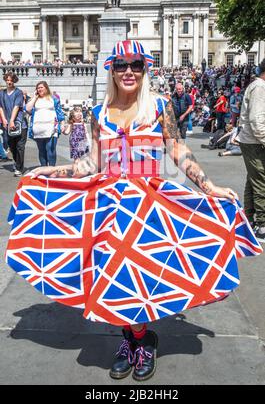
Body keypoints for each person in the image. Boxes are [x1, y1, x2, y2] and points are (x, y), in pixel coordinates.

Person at [6, 40, 262, 382]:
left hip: (147, 207)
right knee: (112, 280)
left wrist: (208, 187)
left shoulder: (158, 106)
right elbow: (92, 163)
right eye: (122, 65)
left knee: (139, 279)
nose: (129, 71)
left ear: (145, 69)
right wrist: (51, 172)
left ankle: (141, 341)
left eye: (136, 65)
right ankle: (134, 341)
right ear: (111, 70)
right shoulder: (100, 112)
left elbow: (176, 149)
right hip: (107, 208)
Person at [237, 57, 265, 241]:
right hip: (254, 141)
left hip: (252, 140)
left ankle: (248, 219)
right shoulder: (260, 87)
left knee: (253, 180)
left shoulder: (258, 86)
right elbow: (256, 120)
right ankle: (262, 224)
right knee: (261, 180)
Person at [26, 81, 65, 166]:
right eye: (38, 88)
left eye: (41, 87)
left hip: (52, 129)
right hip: (38, 130)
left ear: (46, 88)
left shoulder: (54, 99)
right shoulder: (35, 100)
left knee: (50, 150)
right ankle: (44, 168)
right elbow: (28, 109)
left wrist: (62, 124)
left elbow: (59, 113)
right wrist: (35, 97)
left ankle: (51, 169)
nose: (39, 89)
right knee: (42, 151)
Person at [0, 72, 28, 176]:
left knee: (20, 146)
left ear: (14, 81)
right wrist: (4, 119)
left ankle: (19, 169)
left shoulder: (18, 92)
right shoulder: (1, 93)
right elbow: (1, 107)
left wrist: (11, 120)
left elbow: (16, 106)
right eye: (7, 80)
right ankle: (17, 163)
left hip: (20, 124)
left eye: (11, 80)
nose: (9, 82)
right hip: (7, 124)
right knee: (11, 146)